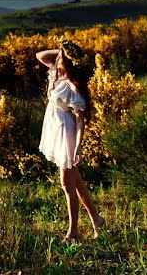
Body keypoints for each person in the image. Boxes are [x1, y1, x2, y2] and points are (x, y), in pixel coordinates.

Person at [36, 45, 105, 242]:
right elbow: (39, 55)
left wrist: (77, 146)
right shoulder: (55, 75)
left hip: (66, 133)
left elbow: (80, 120)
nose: (58, 62)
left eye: (62, 60)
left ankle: (73, 232)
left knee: (67, 184)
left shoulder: (73, 86)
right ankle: (97, 220)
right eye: (57, 59)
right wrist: (62, 49)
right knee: (76, 182)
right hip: (55, 130)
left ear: (70, 64)